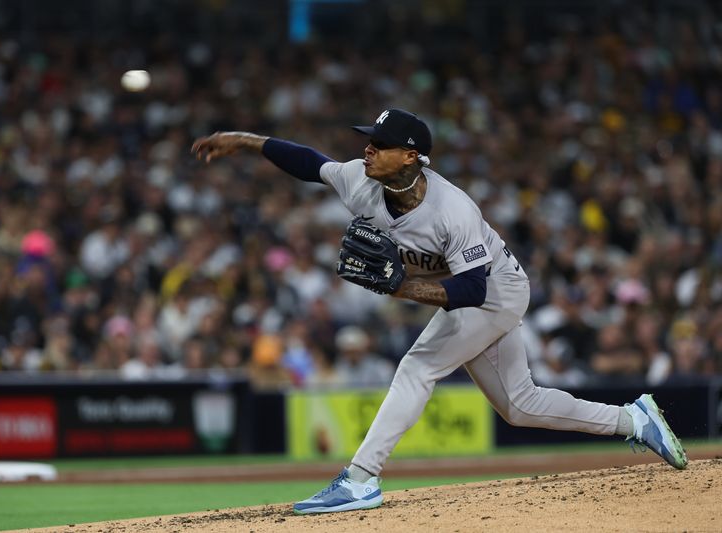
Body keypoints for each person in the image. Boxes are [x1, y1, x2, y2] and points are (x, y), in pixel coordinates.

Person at [191, 108, 688, 515]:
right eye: (368, 140)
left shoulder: (453, 210)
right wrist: (245, 140)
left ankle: (361, 479)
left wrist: (401, 285)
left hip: (498, 290)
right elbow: (307, 162)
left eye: (378, 144)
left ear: (410, 156)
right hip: (475, 292)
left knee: (418, 366)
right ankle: (633, 420)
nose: (366, 149)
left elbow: (472, 288)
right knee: (519, 406)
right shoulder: (359, 181)